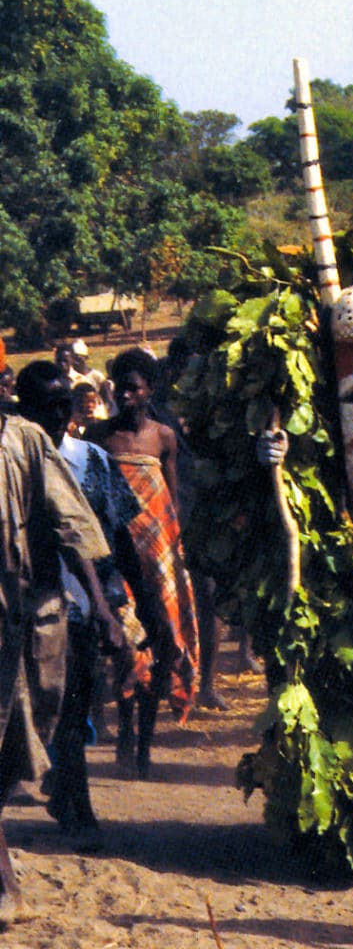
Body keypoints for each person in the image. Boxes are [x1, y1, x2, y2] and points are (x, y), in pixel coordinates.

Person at [0, 353, 115, 920]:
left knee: (38, 730)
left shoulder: (24, 444)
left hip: (37, 613)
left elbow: (74, 524)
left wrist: (105, 608)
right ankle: (6, 885)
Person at [16, 362, 135, 850]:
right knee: (32, 713)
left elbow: (114, 537)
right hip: (27, 608)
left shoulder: (92, 461)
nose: (59, 412)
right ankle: (63, 793)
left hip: (79, 609)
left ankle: (76, 804)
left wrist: (124, 605)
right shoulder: (13, 462)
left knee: (72, 711)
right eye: (47, 405)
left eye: (64, 402)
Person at [86, 348, 198, 778]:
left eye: (135, 388)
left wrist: (176, 559)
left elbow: (169, 504)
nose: (127, 395)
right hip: (116, 559)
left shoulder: (164, 437)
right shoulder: (100, 437)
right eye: (121, 388)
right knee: (127, 651)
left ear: (150, 390)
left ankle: (147, 744)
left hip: (158, 560)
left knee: (163, 647)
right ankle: (128, 730)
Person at [148, 336, 229, 710]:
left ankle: (207, 685)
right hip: (165, 515)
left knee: (207, 597)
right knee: (164, 604)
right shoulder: (154, 411)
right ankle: (168, 682)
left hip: (205, 515)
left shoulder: (214, 407)